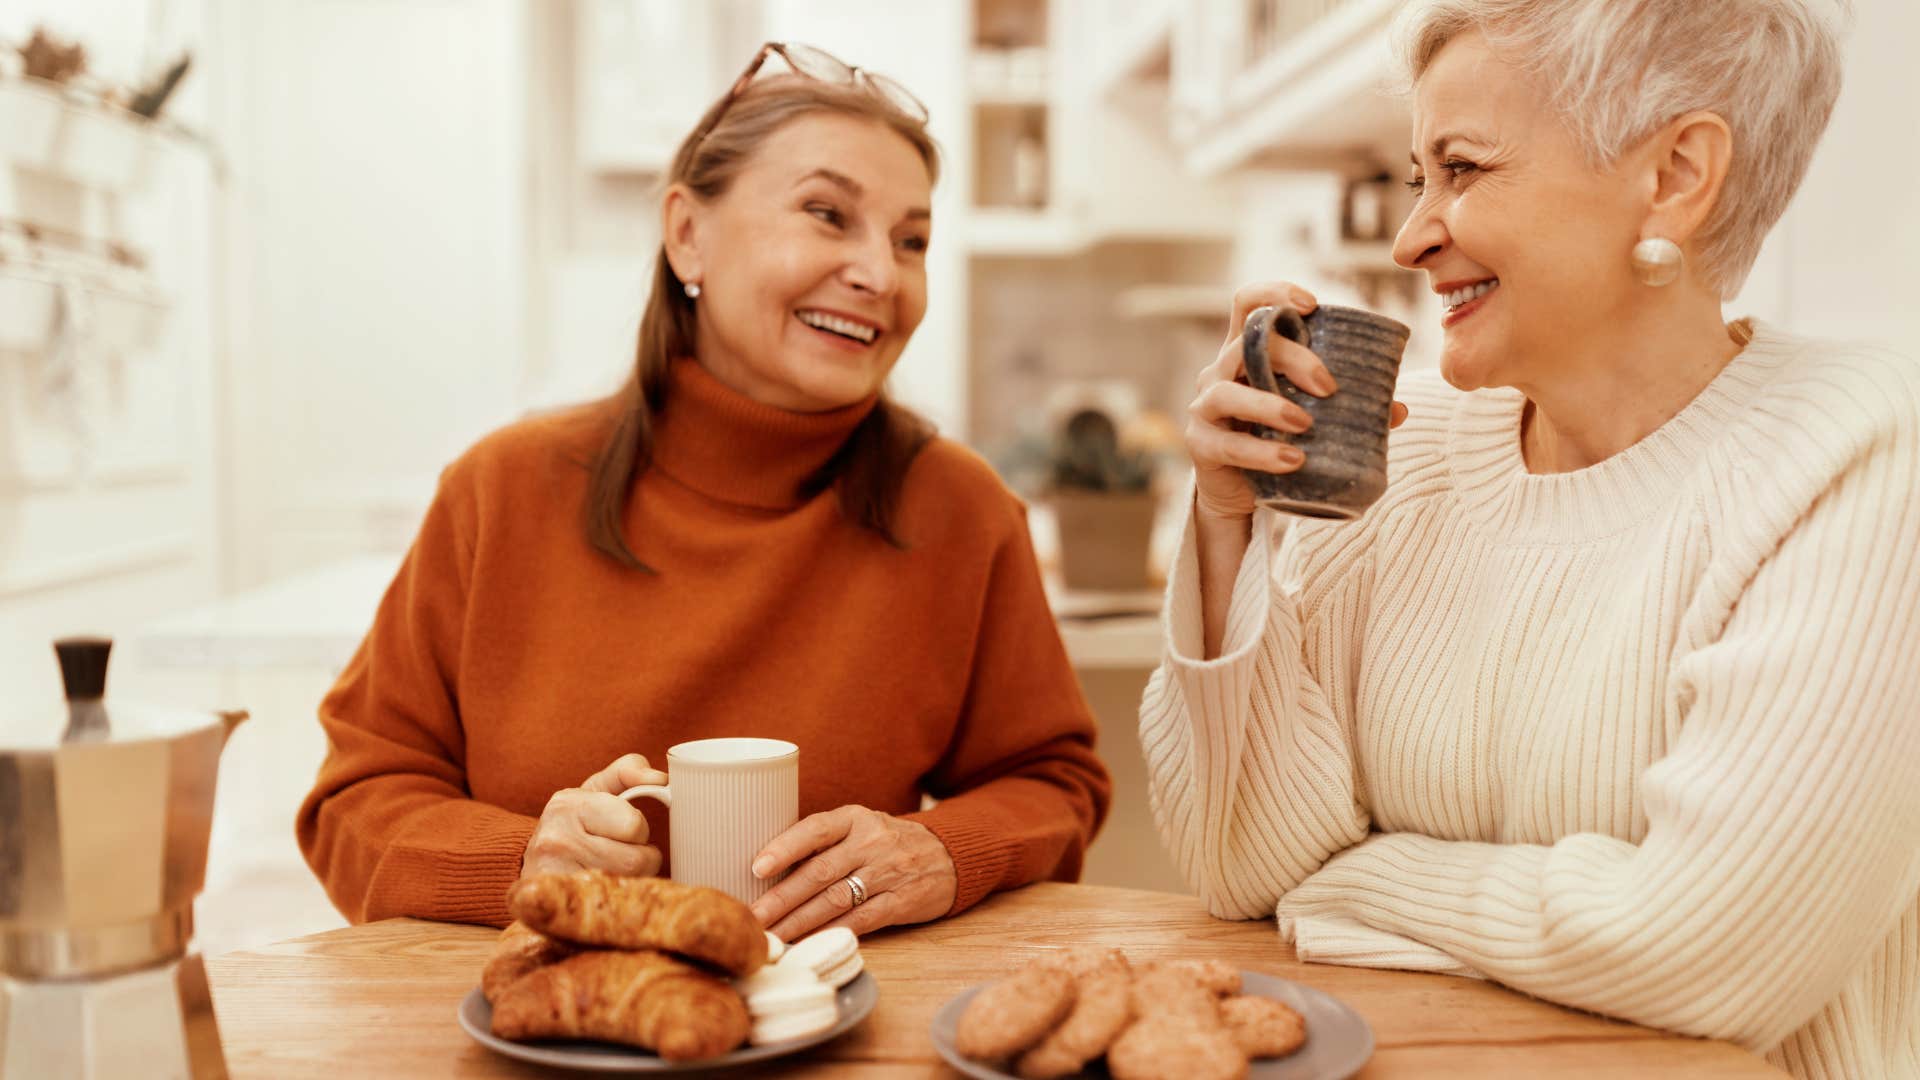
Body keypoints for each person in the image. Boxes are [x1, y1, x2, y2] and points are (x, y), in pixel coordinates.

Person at [1142, 1, 1917, 1076]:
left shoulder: (1856, 450)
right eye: (1418, 178)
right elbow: (1242, 866)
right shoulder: (1406, 458)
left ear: (1675, 175)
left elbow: (1711, 955)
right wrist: (1229, 529)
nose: (1411, 234)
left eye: (1462, 169)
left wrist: (1361, 879)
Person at [298, 42, 1111, 944]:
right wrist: (522, 861)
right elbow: (353, 801)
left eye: (911, 240)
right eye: (827, 213)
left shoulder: (960, 509)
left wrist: (943, 851)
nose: (881, 274)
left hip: (830, 1029)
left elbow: (1053, 782)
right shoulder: (503, 490)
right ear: (688, 232)